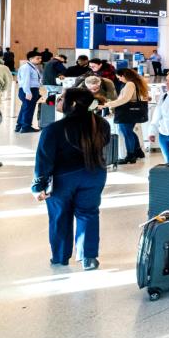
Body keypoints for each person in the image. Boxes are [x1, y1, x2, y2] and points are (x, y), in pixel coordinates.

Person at [30, 88, 111, 270]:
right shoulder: (101, 124)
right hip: (94, 174)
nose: (58, 101)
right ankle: (88, 257)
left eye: (61, 99)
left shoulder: (54, 129)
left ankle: (60, 257)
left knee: (60, 217)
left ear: (72, 104)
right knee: (88, 214)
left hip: (63, 179)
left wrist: (38, 185)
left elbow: (44, 159)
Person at [102, 69, 149, 164]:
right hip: (132, 112)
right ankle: (138, 151)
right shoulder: (135, 82)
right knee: (129, 132)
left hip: (126, 112)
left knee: (127, 133)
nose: (119, 80)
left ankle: (130, 156)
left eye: (119, 77)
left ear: (124, 75)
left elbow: (125, 99)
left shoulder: (130, 84)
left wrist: (108, 104)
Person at [16, 50, 43, 133]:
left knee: (25, 108)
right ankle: (26, 127)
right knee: (29, 109)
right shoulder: (26, 68)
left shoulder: (32, 67)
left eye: (40, 58)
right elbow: (25, 81)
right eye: (37, 58)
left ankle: (19, 126)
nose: (40, 60)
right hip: (28, 90)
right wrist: (28, 92)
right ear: (31, 59)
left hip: (31, 90)